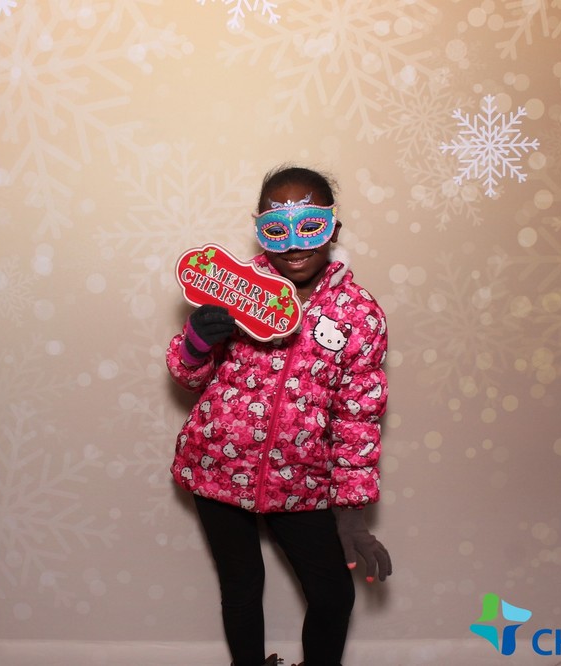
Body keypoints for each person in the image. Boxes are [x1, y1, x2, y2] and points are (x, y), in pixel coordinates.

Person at [166, 165, 392, 666]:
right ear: (260, 230)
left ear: (333, 227)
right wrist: (196, 343)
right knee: (241, 586)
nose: (292, 245)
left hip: (302, 484)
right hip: (218, 467)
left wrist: (352, 514)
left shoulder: (359, 314)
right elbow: (187, 377)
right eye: (275, 229)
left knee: (333, 596)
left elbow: (358, 420)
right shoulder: (233, 290)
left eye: (309, 226)